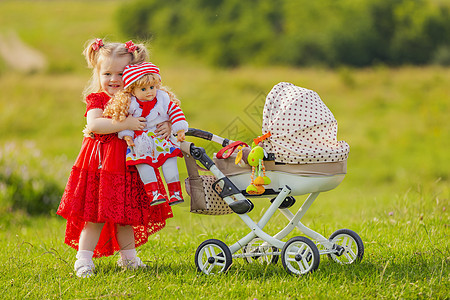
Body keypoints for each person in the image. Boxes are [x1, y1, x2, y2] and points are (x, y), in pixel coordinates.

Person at [57, 38, 173, 278]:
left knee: (125, 216)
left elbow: (157, 117)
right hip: (101, 164)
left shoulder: (139, 100)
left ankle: (129, 259)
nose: (113, 79)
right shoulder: (97, 99)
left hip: (130, 166)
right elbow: (96, 124)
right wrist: (126, 123)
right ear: (98, 73)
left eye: (120, 73)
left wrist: (167, 126)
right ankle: (83, 259)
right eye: (106, 73)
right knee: (95, 215)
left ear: (134, 73)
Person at [103, 62, 188, 206]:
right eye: (143, 89)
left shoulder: (163, 99)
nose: (149, 92)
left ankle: (175, 193)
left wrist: (179, 129)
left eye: (152, 87)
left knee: (169, 164)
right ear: (132, 90)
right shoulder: (130, 105)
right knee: (144, 167)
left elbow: (176, 112)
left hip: (161, 139)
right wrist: (127, 135)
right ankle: (154, 193)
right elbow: (126, 121)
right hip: (141, 142)